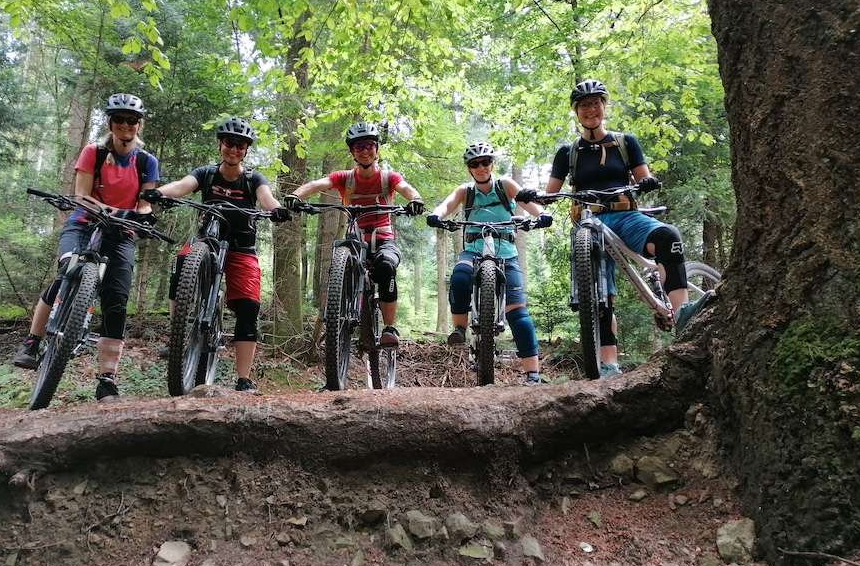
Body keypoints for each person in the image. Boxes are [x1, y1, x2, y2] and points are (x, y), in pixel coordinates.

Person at [520, 78, 701, 378]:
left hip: (625, 215)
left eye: (595, 104)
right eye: (584, 106)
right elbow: (551, 192)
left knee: (668, 237)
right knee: (599, 294)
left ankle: (681, 313)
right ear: (576, 113)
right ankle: (608, 364)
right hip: (588, 222)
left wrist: (648, 180)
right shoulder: (568, 153)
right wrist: (534, 195)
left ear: (604, 107)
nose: (591, 110)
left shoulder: (625, 142)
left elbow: (644, 176)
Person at [13, 93, 159, 400]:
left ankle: (107, 379)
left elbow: (145, 204)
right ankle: (32, 341)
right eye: (119, 120)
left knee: (117, 301)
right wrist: (106, 210)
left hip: (121, 234)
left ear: (139, 125)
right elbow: (80, 195)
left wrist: (142, 217)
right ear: (110, 123)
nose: (125, 126)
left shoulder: (147, 161)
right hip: (84, 224)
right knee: (66, 270)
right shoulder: (92, 152)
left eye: (131, 121)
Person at [141, 117, 290, 393]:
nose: (233, 150)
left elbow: (267, 198)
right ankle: (178, 335)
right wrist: (159, 192)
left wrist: (276, 210)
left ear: (246, 150)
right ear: (220, 144)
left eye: (240, 145)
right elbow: (182, 186)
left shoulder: (252, 178)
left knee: (248, 307)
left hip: (241, 247)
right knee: (183, 261)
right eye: (229, 144)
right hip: (206, 241)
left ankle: (243, 378)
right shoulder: (206, 174)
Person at [283, 121, 424, 348]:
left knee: (387, 268)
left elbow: (407, 189)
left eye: (369, 145)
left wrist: (415, 200)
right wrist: (296, 196)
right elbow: (316, 184)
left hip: (383, 240)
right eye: (359, 147)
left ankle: (389, 328)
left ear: (377, 149)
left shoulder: (389, 177)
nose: (365, 151)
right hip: (355, 239)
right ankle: (339, 307)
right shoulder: (344, 177)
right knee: (339, 262)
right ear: (353, 152)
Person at [427, 142, 552, 385]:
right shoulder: (466, 191)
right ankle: (460, 329)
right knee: (460, 277)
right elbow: (447, 204)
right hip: (473, 249)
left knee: (517, 312)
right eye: (475, 164)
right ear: (469, 169)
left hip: (506, 252)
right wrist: (436, 215)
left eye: (485, 162)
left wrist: (541, 215)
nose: (481, 167)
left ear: (492, 164)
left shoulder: (505, 186)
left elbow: (528, 203)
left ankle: (533, 373)